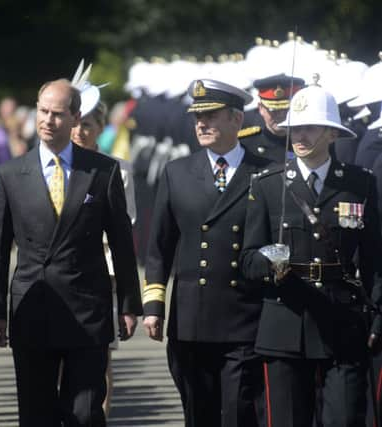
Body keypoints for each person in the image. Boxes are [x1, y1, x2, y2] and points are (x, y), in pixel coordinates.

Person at [0, 79, 142, 426]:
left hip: (88, 308)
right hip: (33, 309)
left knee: (85, 413)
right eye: (43, 111)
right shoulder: (11, 174)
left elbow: (120, 242)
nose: (47, 121)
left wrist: (129, 304)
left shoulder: (102, 171)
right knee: (36, 413)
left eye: (57, 114)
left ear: (74, 117)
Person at [240, 82, 382, 426]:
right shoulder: (268, 184)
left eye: (310, 128)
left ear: (332, 134)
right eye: (295, 128)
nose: (300, 136)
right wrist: (271, 260)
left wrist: (377, 315)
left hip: (342, 323)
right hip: (285, 321)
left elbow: (375, 260)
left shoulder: (359, 184)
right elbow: (247, 260)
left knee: (345, 418)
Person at [142, 78, 270, 427]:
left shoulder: (265, 173)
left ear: (236, 119)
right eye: (198, 116)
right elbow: (159, 248)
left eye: (212, 115)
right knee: (198, 415)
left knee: (240, 414)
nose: (202, 123)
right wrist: (154, 306)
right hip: (191, 323)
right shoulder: (178, 172)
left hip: (245, 320)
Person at [71, 96, 137, 417]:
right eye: (75, 123)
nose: (79, 131)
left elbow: (125, 228)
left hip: (103, 274)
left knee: (100, 359)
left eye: (87, 125)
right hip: (63, 273)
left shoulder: (118, 169)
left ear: (100, 129)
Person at [238, 74, 305, 163]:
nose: (281, 115)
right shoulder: (244, 143)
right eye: (273, 110)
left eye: (287, 109)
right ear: (261, 108)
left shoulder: (308, 139)